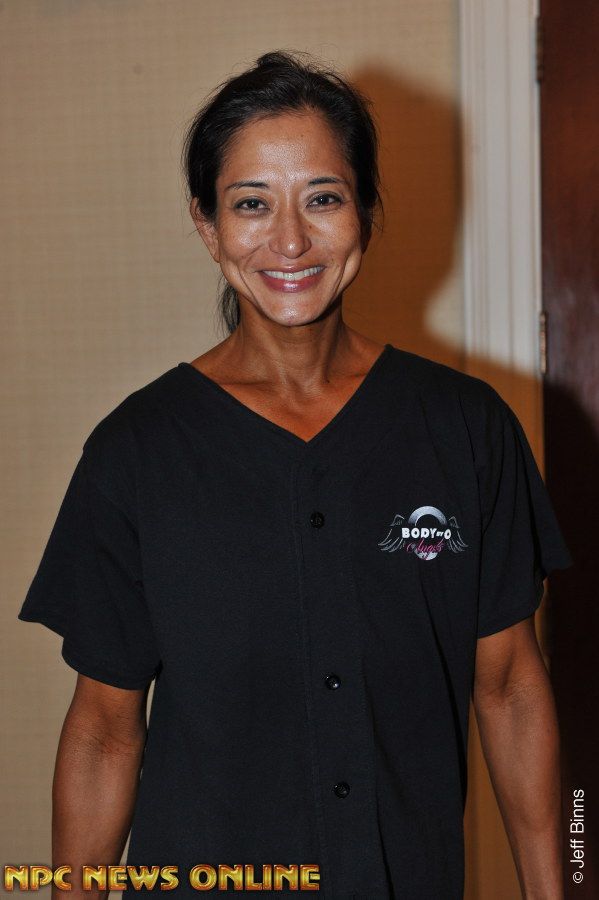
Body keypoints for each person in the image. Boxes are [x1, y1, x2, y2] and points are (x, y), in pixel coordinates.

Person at [18, 51, 572, 900]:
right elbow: (103, 732)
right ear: (207, 225)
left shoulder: (465, 428)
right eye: (251, 203)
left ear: (366, 213)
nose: (289, 241)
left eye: (322, 198)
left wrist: (559, 882)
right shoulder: (136, 451)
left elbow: (508, 687)